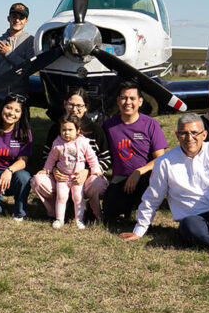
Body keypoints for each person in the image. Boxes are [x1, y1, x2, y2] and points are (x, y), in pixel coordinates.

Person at [119, 114, 209, 262]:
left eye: (195, 133)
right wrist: (139, 231)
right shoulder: (165, 162)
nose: (189, 138)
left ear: (204, 135)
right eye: (184, 133)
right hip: (196, 221)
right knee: (187, 226)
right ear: (177, 135)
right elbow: (152, 198)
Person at [32, 89, 109, 223]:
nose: (74, 109)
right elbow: (47, 155)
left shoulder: (95, 129)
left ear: (86, 108)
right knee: (37, 181)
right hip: (61, 176)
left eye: (79, 106)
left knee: (98, 185)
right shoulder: (57, 128)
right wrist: (55, 171)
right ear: (64, 104)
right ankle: (54, 211)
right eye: (71, 104)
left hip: (85, 179)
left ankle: (92, 211)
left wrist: (88, 171)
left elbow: (106, 158)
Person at [102, 82, 168, 223]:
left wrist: (138, 172)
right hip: (120, 177)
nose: (128, 102)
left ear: (140, 101)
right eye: (124, 98)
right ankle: (127, 206)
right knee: (110, 211)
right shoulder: (108, 125)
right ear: (118, 100)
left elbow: (160, 158)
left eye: (132, 98)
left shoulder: (151, 124)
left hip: (145, 176)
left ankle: (140, 206)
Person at [39, 114, 103, 229]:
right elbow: (51, 159)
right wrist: (46, 170)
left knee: (78, 197)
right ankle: (59, 219)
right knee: (61, 196)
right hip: (63, 176)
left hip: (77, 177)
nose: (66, 133)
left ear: (78, 130)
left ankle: (79, 220)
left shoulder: (83, 143)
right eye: (64, 130)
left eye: (70, 130)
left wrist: (95, 170)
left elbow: (92, 158)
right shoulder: (57, 144)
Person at [0, 3, 35, 118]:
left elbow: (29, 68)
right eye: (14, 16)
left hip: (20, 99)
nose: (17, 20)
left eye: (21, 17)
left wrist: (9, 53)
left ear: (26, 21)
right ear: (9, 18)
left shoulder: (30, 42)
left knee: (21, 134)